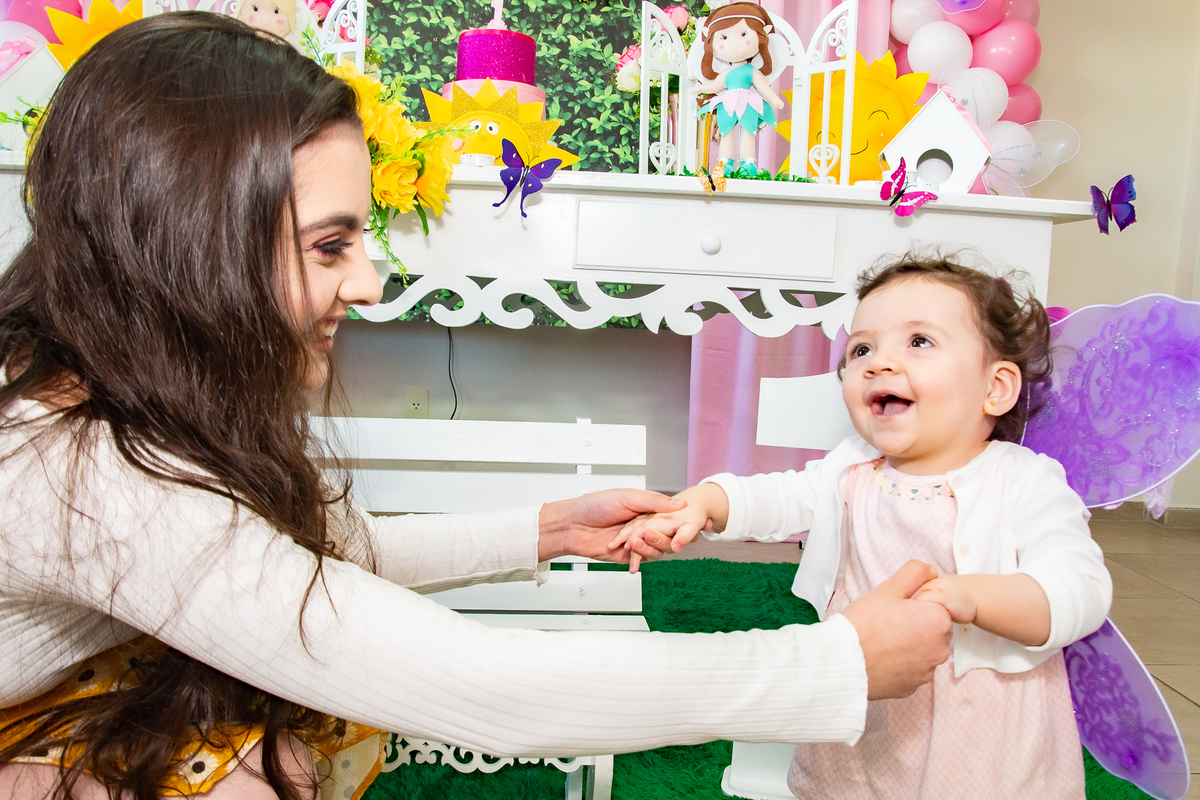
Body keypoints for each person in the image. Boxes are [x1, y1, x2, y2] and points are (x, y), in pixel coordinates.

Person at [0, 15, 953, 800]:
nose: (367, 283)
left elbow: (313, 559)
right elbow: (483, 687)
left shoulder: (125, 385)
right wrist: (835, 666)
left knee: (268, 756)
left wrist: (547, 530)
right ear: (187, 248)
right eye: (330, 246)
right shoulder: (84, 474)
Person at [616, 254, 1113, 799]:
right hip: (869, 686)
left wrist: (974, 597)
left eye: (918, 341)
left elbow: (1082, 589)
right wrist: (707, 502)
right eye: (861, 349)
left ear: (995, 387)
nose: (879, 363)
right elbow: (778, 495)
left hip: (981, 719)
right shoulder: (852, 467)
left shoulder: (1024, 480)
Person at [691, 2, 785, 173]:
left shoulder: (752, 71)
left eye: (743, 34)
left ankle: (748, 163)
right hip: (727, 105)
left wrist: (774, 100)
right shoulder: (726, 73)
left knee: (748, 130)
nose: (734, 44)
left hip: (748, 104)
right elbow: (714, 86)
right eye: (724, 37)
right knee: (726, 131)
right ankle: (725, 162)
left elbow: (764, 89)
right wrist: (699, 89)